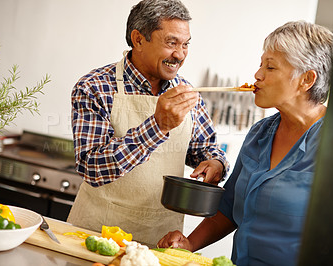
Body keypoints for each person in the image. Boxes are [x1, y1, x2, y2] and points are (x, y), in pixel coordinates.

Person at [157, 21, 333, 265]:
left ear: (307, 79)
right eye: (261, 64)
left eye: (270, 67)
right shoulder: (260, 133)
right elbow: (229, 208)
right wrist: (189, 244)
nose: (257, 75)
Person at [67, 0, 228, 247]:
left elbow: (205, 149)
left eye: (185, 45)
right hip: (96, 236)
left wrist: (216, 163)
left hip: (161, 241)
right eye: (171, 43)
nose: (180, 55)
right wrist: (158, 126)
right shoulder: (94, 87)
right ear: (138, 39)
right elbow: (92, 168)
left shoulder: (187, 93)